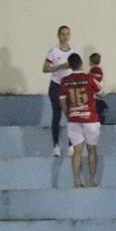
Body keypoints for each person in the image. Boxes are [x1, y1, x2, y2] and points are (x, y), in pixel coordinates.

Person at [60, 53, 103, 189]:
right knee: (92, 150)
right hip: (90, 118)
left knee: (77, 151)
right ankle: (92, 180)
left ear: (70, 65)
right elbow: (100, 91)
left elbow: (62, 101)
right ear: (81, 63)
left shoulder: (64, 81)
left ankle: (77, 181)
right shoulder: (89, 78)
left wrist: (69, 114)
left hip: (74, 119)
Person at [44, 24, 76, 156]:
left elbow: (78, 68)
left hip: (69, 87)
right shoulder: (53, 51)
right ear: (58, 36)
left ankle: (71, 145)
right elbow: (45, 68)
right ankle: (56, 146)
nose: (65, 36)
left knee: (71, 115)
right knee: (56, 115)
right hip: (56, 85)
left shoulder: (74, 51)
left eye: (67, 34)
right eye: (62, 34)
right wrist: (61, 66)